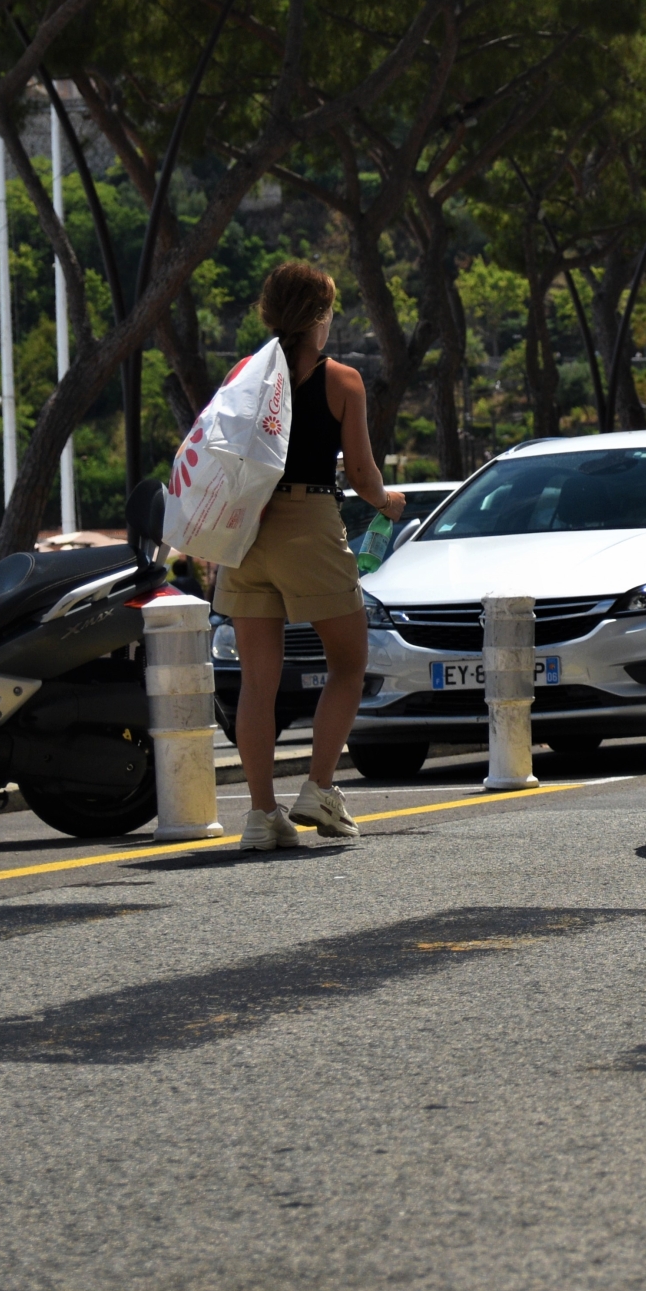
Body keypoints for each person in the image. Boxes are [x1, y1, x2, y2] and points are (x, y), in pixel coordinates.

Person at [216, 262, 404, 850]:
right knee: (349, 661)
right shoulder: (341, 381)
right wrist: (390, 502)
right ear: (318, 317)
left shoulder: (242, 375)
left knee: (257, 682)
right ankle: (319, 788)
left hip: (245, 530)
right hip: (307, 522)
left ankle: (259, 814)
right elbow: (366, 478)